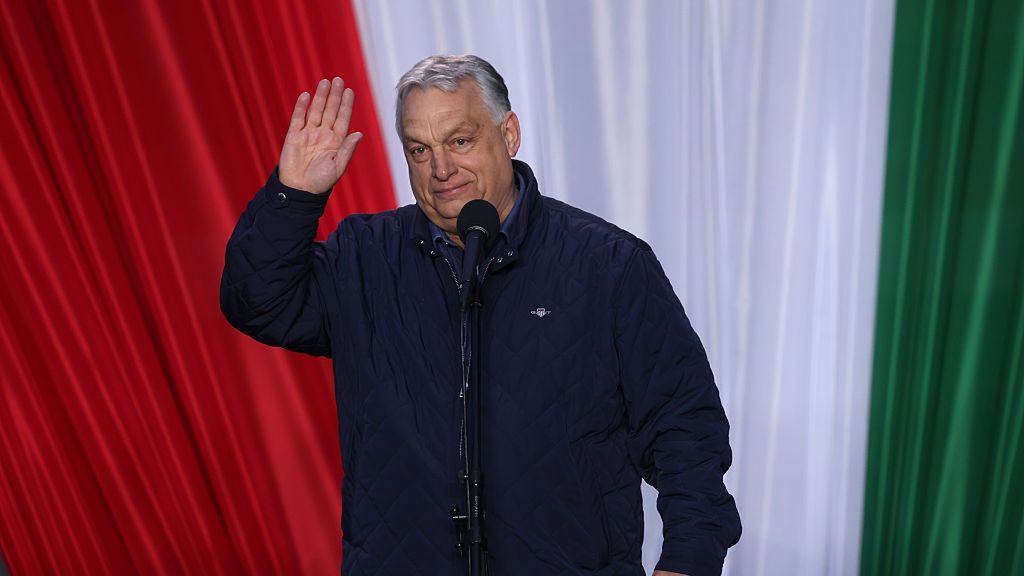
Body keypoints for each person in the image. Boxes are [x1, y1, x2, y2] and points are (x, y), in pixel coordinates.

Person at [221, 55, 740, 576]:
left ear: (509, 134)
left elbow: (684, 428)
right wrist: (294, 196)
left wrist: (688, 560)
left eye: (460, 140)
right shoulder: (364, 257)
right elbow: (257, 302)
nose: (440, 169)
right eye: (419, 149)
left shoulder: (607, 264)